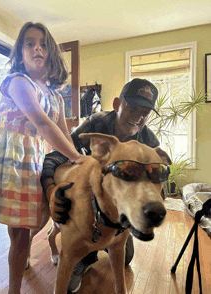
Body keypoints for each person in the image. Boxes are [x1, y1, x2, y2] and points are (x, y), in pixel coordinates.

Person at [0, 22, 86, 294]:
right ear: (21, 53)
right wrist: (77, 158)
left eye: (43, 44)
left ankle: (13, 290)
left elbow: (63, 135)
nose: (37, 48)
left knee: (20, 234)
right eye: (30, 43)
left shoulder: (56, 97)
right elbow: (43, 124)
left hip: (28, 163)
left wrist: (75, 161)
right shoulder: (19, 82)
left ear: (52, 54)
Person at [41, 78, 160, 293]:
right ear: (117, 104)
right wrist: (50, 190)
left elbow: (155, 181)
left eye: (145, 111)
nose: (138, 116)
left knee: (126, 256)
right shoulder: (96, 123)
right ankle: (84, 256)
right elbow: (56, 155)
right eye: (132, 107)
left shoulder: (149, 142)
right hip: (86, 200)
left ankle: (97, 246)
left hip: (120, 210)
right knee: (85, 239)